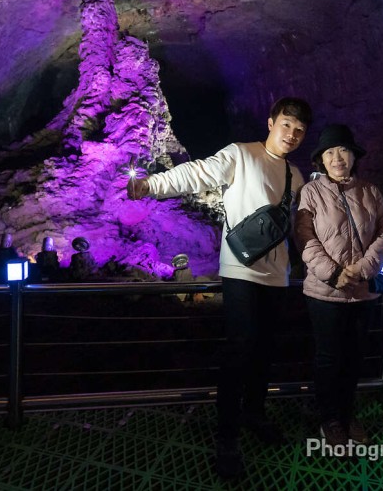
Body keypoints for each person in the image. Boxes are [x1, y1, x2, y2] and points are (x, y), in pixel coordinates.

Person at [127, 97, 312, 479]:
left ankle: (255, 414)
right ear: (271, 122)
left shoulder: (295, 172)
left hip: (278, 276)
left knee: (265, 351)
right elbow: (197, 173)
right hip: (242, 271)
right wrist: (150, 184)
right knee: (239, 350)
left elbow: (294, 224)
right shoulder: (242, 155)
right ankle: (226, 437)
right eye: (286, 125)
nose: (291, 134)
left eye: (299, 129)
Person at [295, 123, 383, 448]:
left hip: (362, 292)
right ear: (321, 161)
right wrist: (334, 274)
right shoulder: (310, 193)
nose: (338, 158)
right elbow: (305, 238)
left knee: (354, 357)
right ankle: (330, 419)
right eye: (330, 152)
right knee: (328, 357)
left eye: (343, 150)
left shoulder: (370, 191)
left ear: (353, 156)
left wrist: (365, 268)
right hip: (324, 293)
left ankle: (348, 413)